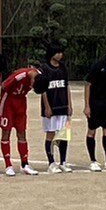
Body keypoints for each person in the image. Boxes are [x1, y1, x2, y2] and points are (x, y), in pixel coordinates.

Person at [0, 60, 42, 176]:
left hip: (21, 102)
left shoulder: (40, 77)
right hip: (8, 101)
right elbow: (4, 86)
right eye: (32, 85)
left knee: (22, 132)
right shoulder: (21, 75)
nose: (31, 87)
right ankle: (8, 165)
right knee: (6, 132)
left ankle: (25, 164)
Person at [34, 43, 73, 172]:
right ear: (52, 54)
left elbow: (66, 86)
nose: (60, 55)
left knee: (64, 135)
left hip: (63, 105)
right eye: (58, 52)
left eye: (62, 52)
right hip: (51, 106)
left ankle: (63, 161)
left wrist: (70, 105)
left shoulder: (63, 68)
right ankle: (51, 163)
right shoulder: (44, 68)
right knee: (50, 134)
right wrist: (47, 107)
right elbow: (42, 89)